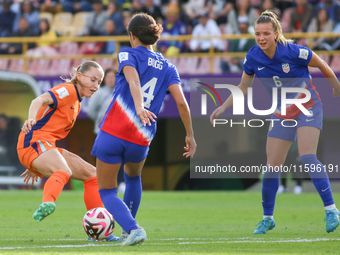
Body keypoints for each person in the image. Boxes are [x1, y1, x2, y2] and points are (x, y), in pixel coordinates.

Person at [210, 10, 340, 234]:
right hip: (281, 113)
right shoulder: (252, 57)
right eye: (257, 34)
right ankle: (268, 218)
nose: (261, 38)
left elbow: (321, 64)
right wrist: (223, 106)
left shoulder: (293, 51)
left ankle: (331, 210)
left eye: (266, 34)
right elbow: (243, 87)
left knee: (308, 156)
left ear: (276, 33)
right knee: (271, 167)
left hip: (307, 107)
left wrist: (336, 86)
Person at [91, 13, 196, 246]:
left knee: (107, 191)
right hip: (142, 137)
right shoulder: (169, 66)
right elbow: (182, 103)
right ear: (154, 37)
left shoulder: (127, 53)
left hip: (114, 131)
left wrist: (138, 107)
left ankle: (133, 228)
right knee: (133, 178)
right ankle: (129, 232)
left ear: (132, 35)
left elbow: (134, 81)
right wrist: (190, 134)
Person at [17, 60, 119, 242]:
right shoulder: (68, 90)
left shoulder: (77, 102)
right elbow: (38, 100)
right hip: (34, 141)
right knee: (63, 170)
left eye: (98, 82)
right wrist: (30, 119)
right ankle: (47, 202)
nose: (96, 86)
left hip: (44, 146)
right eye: (93, 80)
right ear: (79, 76)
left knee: (93, 175)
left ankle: (98, 234)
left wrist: (36, 163)